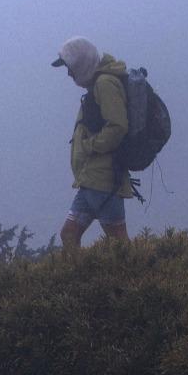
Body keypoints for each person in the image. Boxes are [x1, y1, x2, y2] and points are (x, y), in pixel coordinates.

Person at [52, 36, 135, 250]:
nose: (69, 74)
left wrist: (90, 146)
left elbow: (118, 126)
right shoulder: (97, 84)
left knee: (119, 244)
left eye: (71, 67)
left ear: (83, 64)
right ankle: (78, 282)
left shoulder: (105, 83)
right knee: (69, 234)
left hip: (104, 181)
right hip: (90, 180)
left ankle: (138, 280)